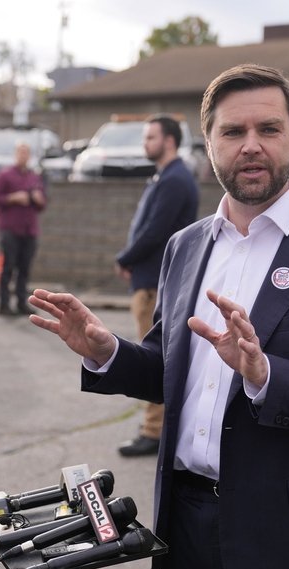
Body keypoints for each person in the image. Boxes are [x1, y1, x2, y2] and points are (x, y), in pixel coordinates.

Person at [28, 64, 289, 569]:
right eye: (233, 132)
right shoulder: (185, 246)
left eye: (268, 130)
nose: (251, 146)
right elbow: (171, 371)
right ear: (208, 143)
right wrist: (108, 351)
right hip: (186, 528)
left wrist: (265, 374)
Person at [115, 115, 199, 457]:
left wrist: (125, 258)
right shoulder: (167, 177)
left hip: (155, 284)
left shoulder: (175, 180)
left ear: (168, 141)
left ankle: (154, 430)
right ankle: (158, 426)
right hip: (149, 279)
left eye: (150, 137)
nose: (144, 143)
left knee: (153, 357)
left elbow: (155, 231)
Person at [0, 142, 47, 316]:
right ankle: (4, 304)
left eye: (26, 152)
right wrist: (13, 198)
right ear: (15, 154)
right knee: (8, 267)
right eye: (21, 152)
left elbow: (42, 205)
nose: (23, 155)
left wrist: (38, 199)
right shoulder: (4, 175)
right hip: (10, 228)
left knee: (25, 268)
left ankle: (22, 302)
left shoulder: (34, 178)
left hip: (29, 230)